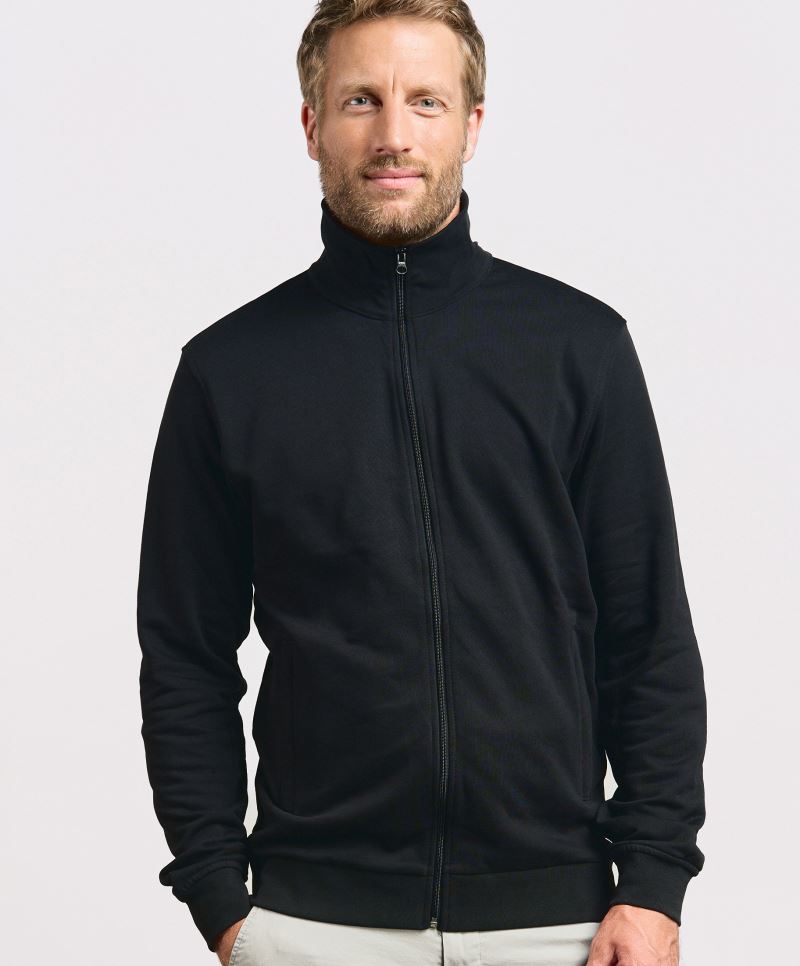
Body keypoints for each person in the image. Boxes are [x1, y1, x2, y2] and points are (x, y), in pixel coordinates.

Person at [136, 2, 707, 964]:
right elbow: (185, 656)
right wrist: (221, 903)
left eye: (426, 102)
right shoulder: (229, 371)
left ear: (472, 126)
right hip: (311, 926)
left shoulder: (579, 349)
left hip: (557, 926)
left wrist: (652, 886)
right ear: (312, 124)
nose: (393, 134)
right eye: (361, 99)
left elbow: (647, 632)